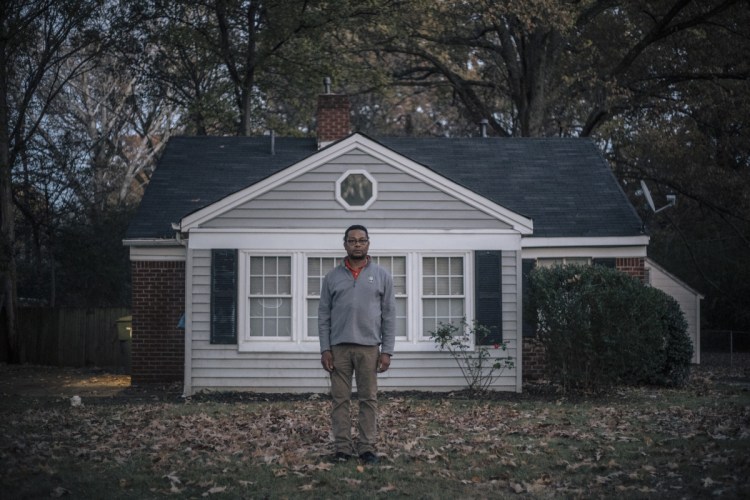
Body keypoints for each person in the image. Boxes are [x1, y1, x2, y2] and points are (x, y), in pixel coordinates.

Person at [318, 224, 396, 465]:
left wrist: (387, 351)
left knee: (368, 399)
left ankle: (366, 448)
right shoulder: (331, 277)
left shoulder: (382, 275)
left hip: (369, 348)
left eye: (362, 240)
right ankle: (342, 448)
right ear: (345, 245)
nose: (357, 244)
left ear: (368, 244)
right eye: (352, 241)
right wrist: (325, 348)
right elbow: (323, 316)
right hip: (339, 348)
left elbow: (390, 315)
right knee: (340, 399)